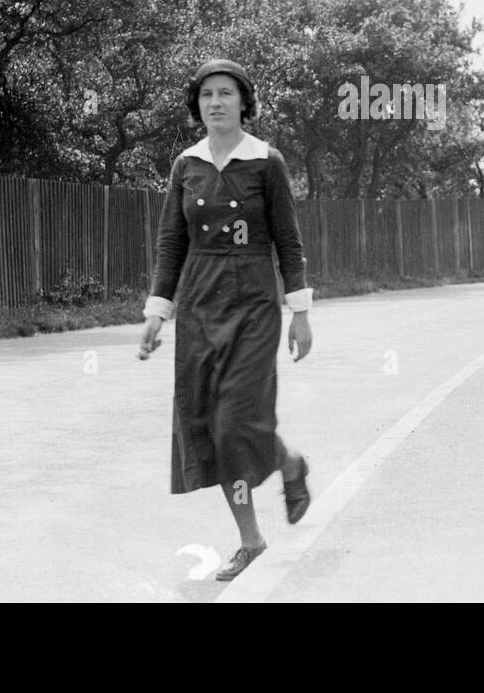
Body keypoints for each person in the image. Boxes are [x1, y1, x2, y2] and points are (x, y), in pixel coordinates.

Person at [138, 58, 314, 581]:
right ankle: (251, 540)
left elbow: (289, 241)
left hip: (255, 303)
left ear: (244, 102)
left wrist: (299, 314)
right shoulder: (185, 165)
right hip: (198, 304)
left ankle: (287, 462)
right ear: (198, 105)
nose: (215, 102)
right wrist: (156, 313)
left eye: (226, 94)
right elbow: (172, 244)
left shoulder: (266, 162)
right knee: (211, 429)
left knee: (240, 417)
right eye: (207, 95)